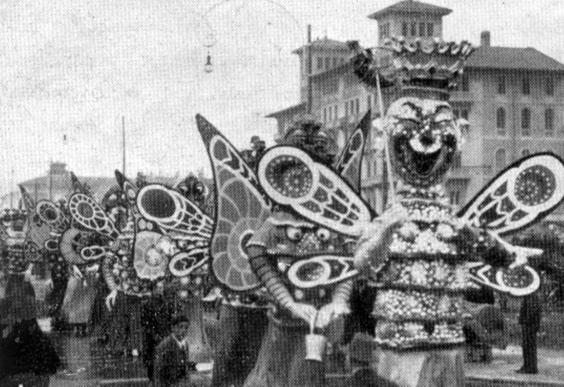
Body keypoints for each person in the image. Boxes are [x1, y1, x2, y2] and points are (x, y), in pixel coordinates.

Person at [0, 318, 60, 387]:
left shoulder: (21, 343)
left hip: (26, 374)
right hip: (37, 374)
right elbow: (55, 363)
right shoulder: (41, 341)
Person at [153, 314, 195, 387]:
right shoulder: (165, 345)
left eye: (186, 328)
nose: (183, 330)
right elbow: (158, 374)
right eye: (180, 327)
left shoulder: (185, 344)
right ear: (173, 328)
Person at [517, 292, 542, 374]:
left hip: (530, 325)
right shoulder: (528, 296)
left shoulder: (532, 297)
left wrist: (524, 321)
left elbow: (531, 312)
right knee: (526, 346)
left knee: (529, 347)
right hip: (528, 325)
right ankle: (527, 366)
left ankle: (530, 367)